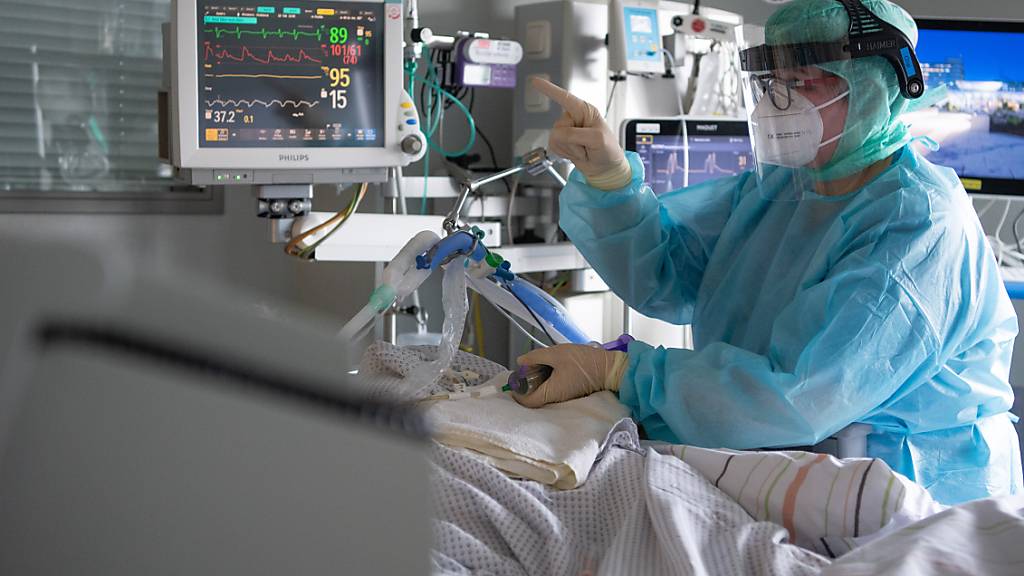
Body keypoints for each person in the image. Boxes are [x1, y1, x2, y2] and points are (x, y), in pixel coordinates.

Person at [515, 0, 1023, 505]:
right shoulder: (781, 188)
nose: (779, 102)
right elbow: (669, 274)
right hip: (780, 462)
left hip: (907, 493)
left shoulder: (917, 222)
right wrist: (611, 179)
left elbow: (802, 393)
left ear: (872, 89)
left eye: (802, 83)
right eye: (773, 82)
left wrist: (623, 373)